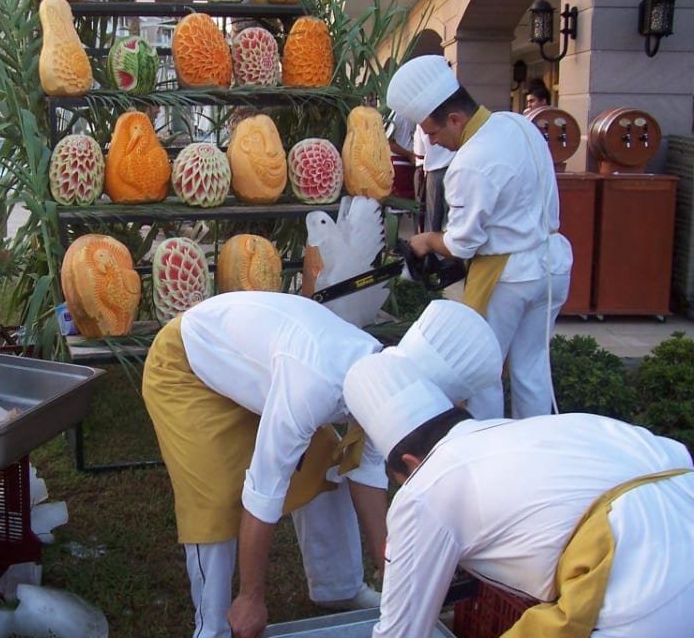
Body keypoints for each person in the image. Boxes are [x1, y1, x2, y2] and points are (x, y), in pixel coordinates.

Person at [140, 292, 501, 638]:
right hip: (186, 365)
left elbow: (366, 467)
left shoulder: (381, 376)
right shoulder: (313, 384)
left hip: (253, 369)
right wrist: (252, 596)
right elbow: (265, 488)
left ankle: (337, 588)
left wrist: (388, 565)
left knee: (328, 464)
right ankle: (213, 627)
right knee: (215, 499)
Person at [342, 350, 694, 638]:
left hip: (645, 600)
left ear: (410, 463)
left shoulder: (427, 488)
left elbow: (400, 633)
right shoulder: (520, 433)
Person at [386, 55, 573, 419]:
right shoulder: (517, 123)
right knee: (531, 369)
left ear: (455, 119)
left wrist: (425, 241)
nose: (435, 142)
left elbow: (461, 244)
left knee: (481, 370)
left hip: (509, 276)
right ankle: (534, 447)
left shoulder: (469, 162)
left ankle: (485, 445)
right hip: (553, 264)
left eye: (435, 134)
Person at [412, 123, 456, 233]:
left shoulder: (423, 120)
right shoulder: (454, 119)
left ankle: (433, 247)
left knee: (433, 219)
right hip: (455, 170)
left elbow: (419, 154)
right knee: (452, 218)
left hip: (434, 173)